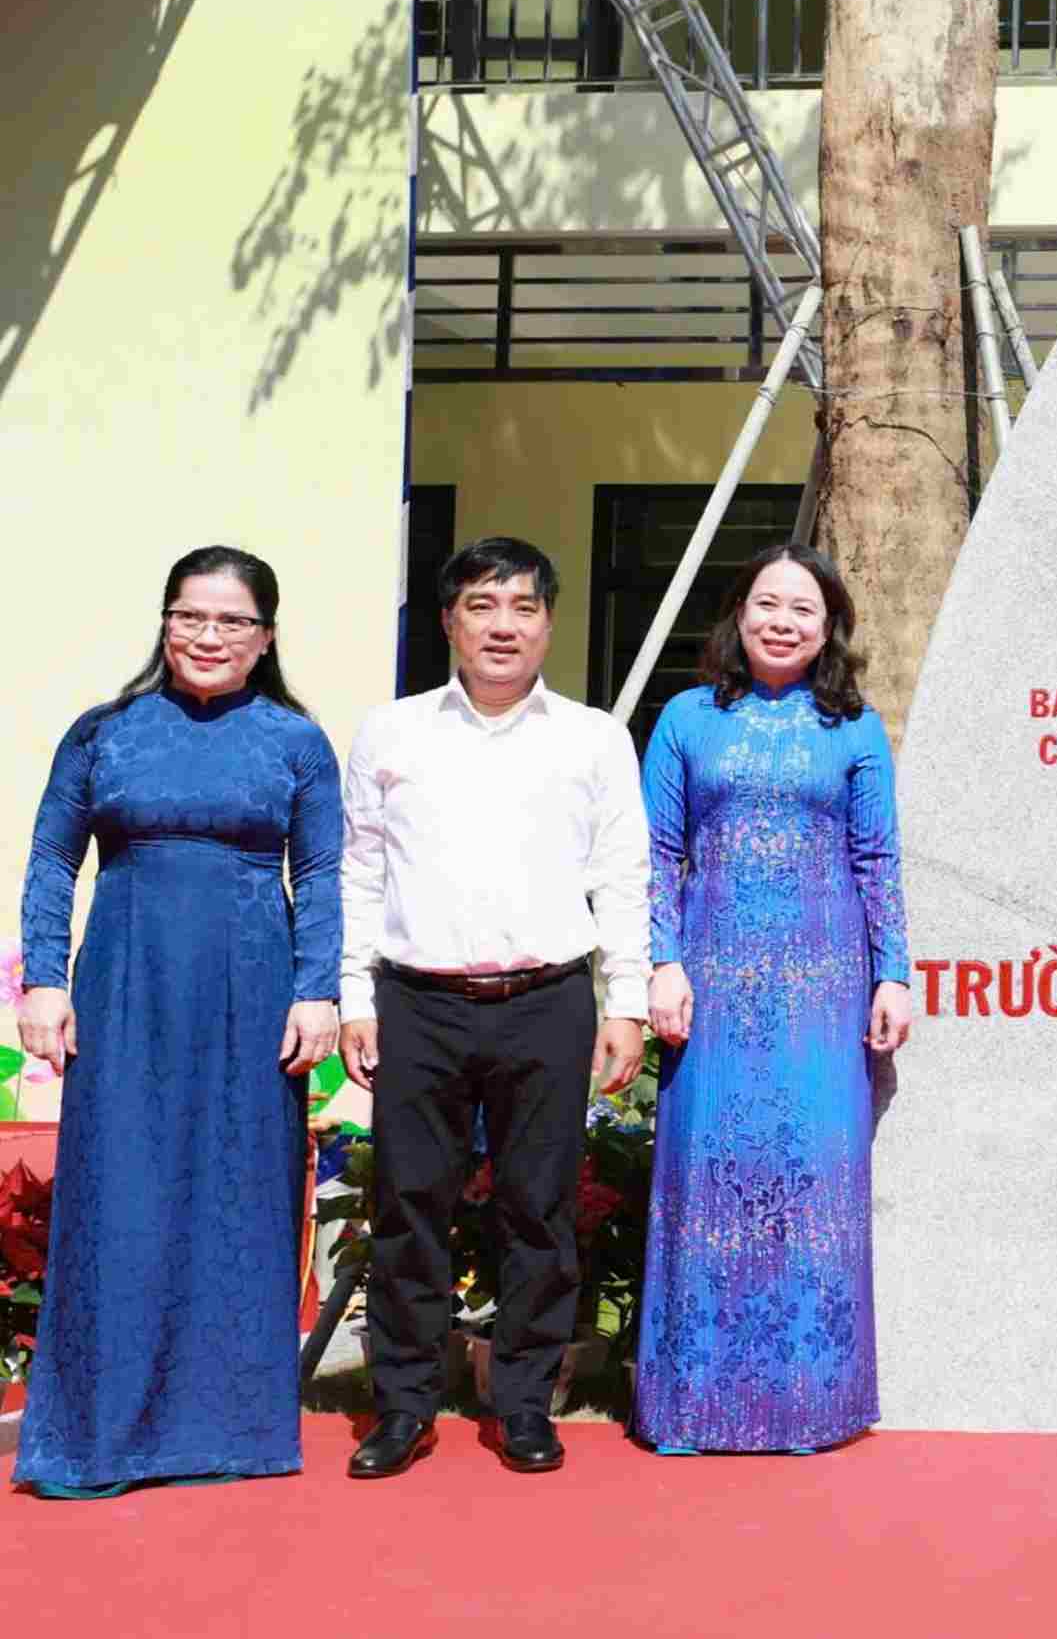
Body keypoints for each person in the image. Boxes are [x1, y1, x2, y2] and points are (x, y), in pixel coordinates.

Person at [12, 547, 341, 1496]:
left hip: (253, 989)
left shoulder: (294, 741)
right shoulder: (104, 733)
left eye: (233, 622)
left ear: (266, 638)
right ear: (165, 623)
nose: (209, 636)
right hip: (125, 982)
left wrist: (316, 988)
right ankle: (99, 1436)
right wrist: (44, 980)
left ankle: (230, 1431)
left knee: (240, 1190)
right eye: (191, 616)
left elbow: (319, 873)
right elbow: (49, 862)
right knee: (121, 1188)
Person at [338, 537, 648, 1479]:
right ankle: (401, 1406)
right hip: (418, 1002)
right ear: (448, 621)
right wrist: (357, 995)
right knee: (409, 1210)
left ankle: (524, 1404)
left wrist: (624, 1001)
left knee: (540, 1213)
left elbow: (623, 876)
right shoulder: (390, 732)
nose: (502, 625)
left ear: (549, 621)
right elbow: (360, 871)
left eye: (522, 606)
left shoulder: (593, 737)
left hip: (546, 999)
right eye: (481, 604)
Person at [634, 543, 910, 1453]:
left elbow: (878, 861)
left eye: (803, 608)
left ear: (829, 628)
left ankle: (811, 1402)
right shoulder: (685, 717)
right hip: (711, 992)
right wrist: (662, 962)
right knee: (711, 1177)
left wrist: (893, 972)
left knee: (813, 1181)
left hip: (822, 994)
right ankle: (697, 1406)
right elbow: (653, 855)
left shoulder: (855, 727)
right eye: (767, 602)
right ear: (738, 614)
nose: (782, 621)